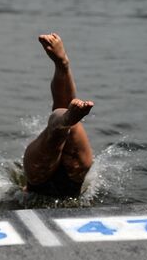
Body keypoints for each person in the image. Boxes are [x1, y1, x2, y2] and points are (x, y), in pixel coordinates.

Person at [23, 33, 94, 198]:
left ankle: (67, 119)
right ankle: (63, 65)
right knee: (57, 129)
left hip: (38, 184)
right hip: (73, 183)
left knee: (55, 132)